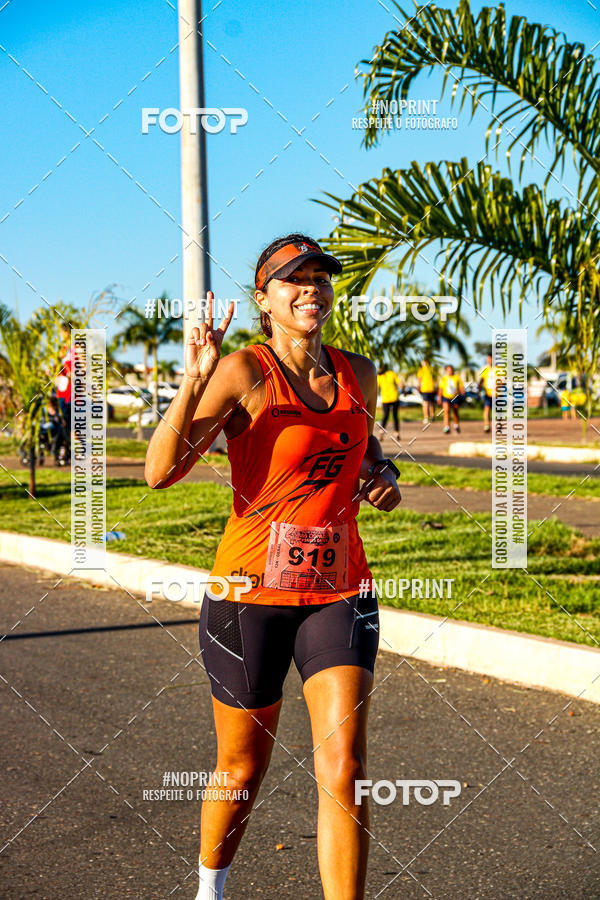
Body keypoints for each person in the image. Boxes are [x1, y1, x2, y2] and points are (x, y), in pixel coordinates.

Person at [145, 234, 402, 900]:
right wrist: (197, 378)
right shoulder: (244, 372)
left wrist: (381, 473)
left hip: (338, 590)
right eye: (293, 279)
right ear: (265, 300)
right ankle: (211, 889)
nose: (310, 288)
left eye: (320, 277)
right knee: (240, 766)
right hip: (247, 596)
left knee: (345, 765)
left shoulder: (359, 372)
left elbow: (362, 445)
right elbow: (158, 474)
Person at [438, 364, 465, 433]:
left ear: (453, 370)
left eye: (451, 370)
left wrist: (462, 392)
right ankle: (447, 427)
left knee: (455, 412)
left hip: (455, 397)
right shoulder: (443, 378)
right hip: (446, 397)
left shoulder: (457, 377)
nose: (449, 371)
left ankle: (456, 425)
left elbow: (461, 386)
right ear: (446, 371)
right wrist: (439, 398)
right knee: (446, 411)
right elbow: (440, 389)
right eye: (448, 370)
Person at [376, 364, 401, 439]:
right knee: (393, 416)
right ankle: (395, 433)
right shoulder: (391, 374)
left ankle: (386, 433)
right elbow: (400, 384)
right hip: (392, 398)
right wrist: (403, 389)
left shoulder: (381, 376)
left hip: (390, 398)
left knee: (387, 416)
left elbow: (376, 387)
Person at [478, 353, 497, 433]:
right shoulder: (484, 369)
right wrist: (479, 389)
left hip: (497, 394)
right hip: (487, 393)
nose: (489, 360)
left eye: (491, 358)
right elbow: (481, 380)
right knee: (487, 409)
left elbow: (503, 381)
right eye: (488, 358)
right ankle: (486, 425)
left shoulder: (499, 369)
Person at [416, 357, 436, 424]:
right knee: (425, 403)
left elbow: (434, 378)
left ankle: (432, 416)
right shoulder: (421, 370)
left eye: (424, 361)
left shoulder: (431, 369)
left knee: (432, 404)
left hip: (432, 389)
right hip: (424, 389)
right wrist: (418, 387)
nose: (423, 363)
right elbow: (419, 379)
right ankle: (426, 417)